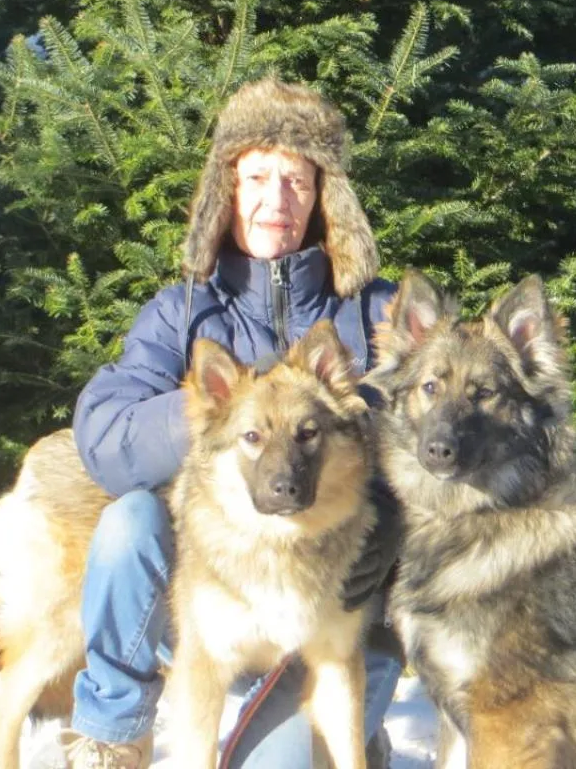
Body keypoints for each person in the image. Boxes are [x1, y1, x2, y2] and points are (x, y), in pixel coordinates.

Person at [64, 79, 403, 769]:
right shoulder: (181, 312)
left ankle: (353, 733)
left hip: (341, 607)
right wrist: (226, 411)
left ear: (324, 197)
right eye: (256, 177)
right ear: (226, 189)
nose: (276, 201)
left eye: (296, 180)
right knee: (127, 520)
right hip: (219, 591)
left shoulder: (376, 312)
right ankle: (112, 735)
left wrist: (361, 437)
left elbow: (446, 426)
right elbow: (105, 440)